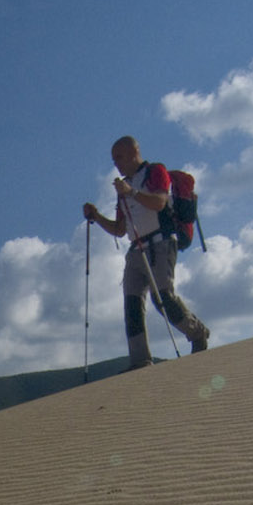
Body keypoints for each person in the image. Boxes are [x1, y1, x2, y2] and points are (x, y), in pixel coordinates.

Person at [82, 136, 210, 369]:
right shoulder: (124, 186)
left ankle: (197, 332)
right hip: (135, 249)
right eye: (114, 159)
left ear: (133, 152)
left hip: (161, 243)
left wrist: (130, 192)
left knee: (163, 298)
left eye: (119, 157)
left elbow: (159, 202)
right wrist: (97, 216)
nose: (116, 163)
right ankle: (140, 361)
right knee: (132, 304)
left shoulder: (154, 171)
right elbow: (120, 229)